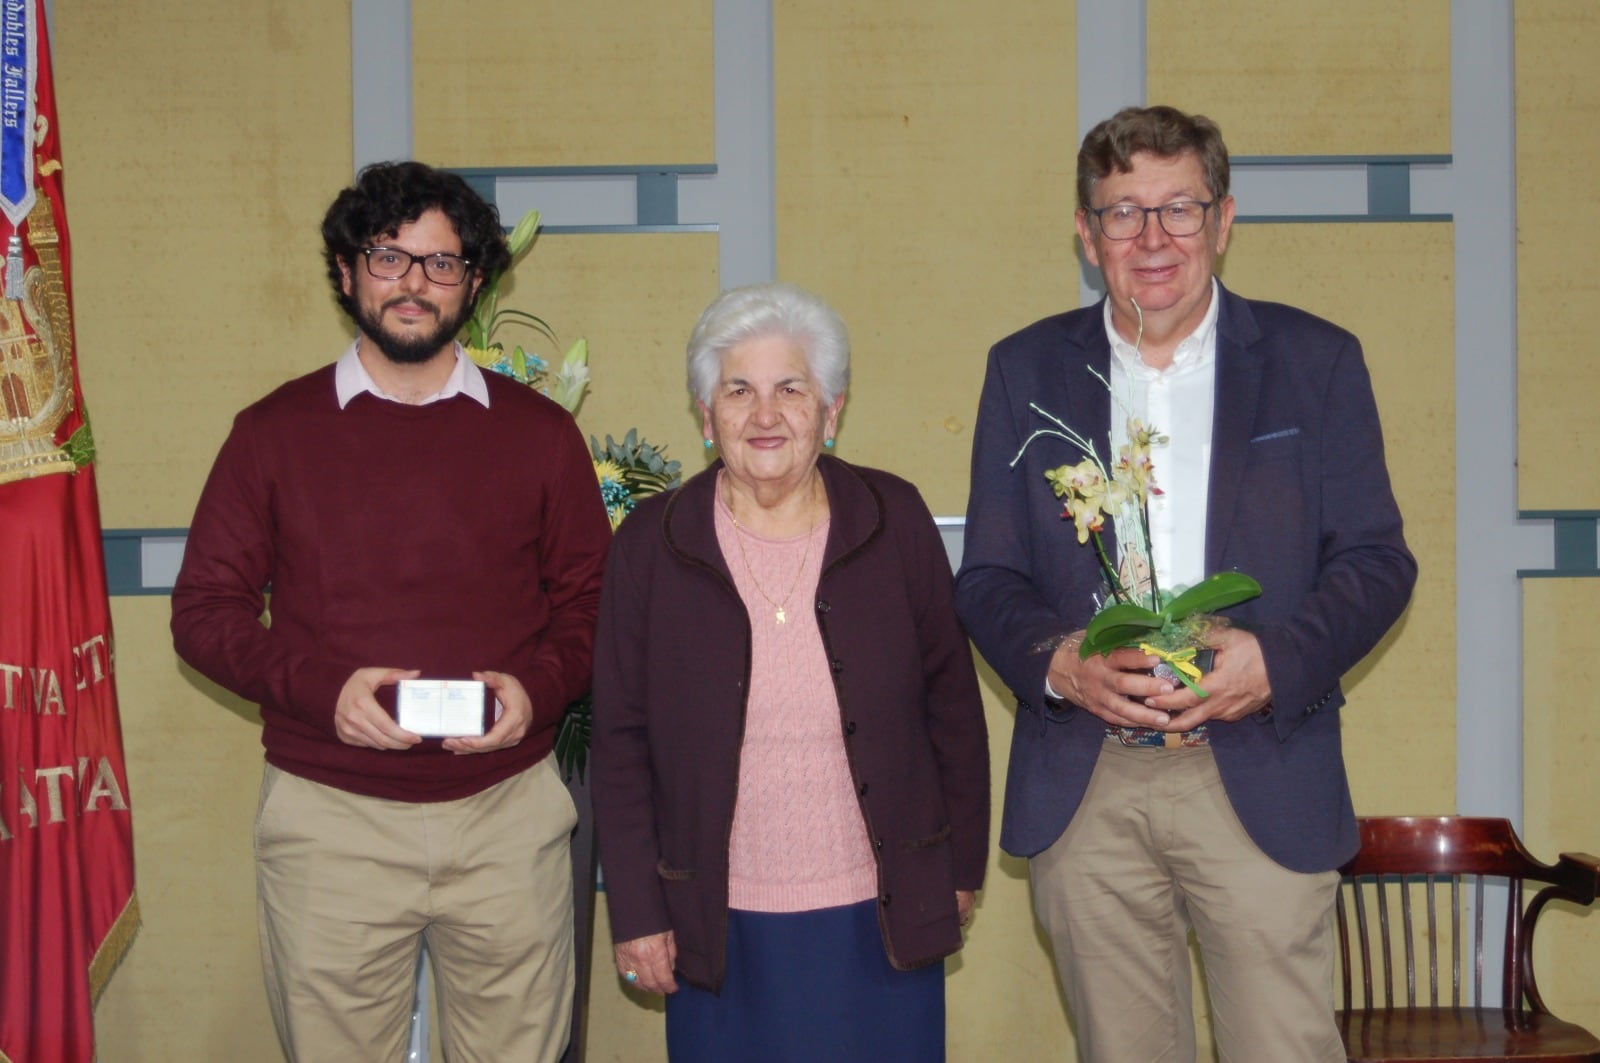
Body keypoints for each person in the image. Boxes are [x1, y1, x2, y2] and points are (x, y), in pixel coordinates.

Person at [955, 106, 1417, 1062]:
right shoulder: (1024, 369)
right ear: (1087, 233)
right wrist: (1061, 661)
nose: (1152, 238)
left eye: (1179, 208)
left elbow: (1378, 560)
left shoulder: (1316, 361)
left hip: (1258, 766)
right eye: (1123, 213)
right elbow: (989, 577)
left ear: (1225, 218)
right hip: (1089, 780)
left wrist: (1274, 661)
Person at [170, 161, 610, 1062]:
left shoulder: (540, 436)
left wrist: (539, 686)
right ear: (345, 271)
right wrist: (321, 691)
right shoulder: (272, 434)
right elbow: (204, 611)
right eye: (389, 257)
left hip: (508, 815)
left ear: (475, 282)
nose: (413, 283)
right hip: (331, 819)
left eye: (440, 263)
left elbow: (594, 606)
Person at [591, 282, 990, 1062]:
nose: (764, 414)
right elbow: (620, 738)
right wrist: (638, 909)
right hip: (715, 919)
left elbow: (952, 705)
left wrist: (958, 863)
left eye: (790, 388)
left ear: (831, 411)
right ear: (707, 418)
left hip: (880, 913)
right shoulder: (651, 543)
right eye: (737, 389)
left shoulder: (894, 516)